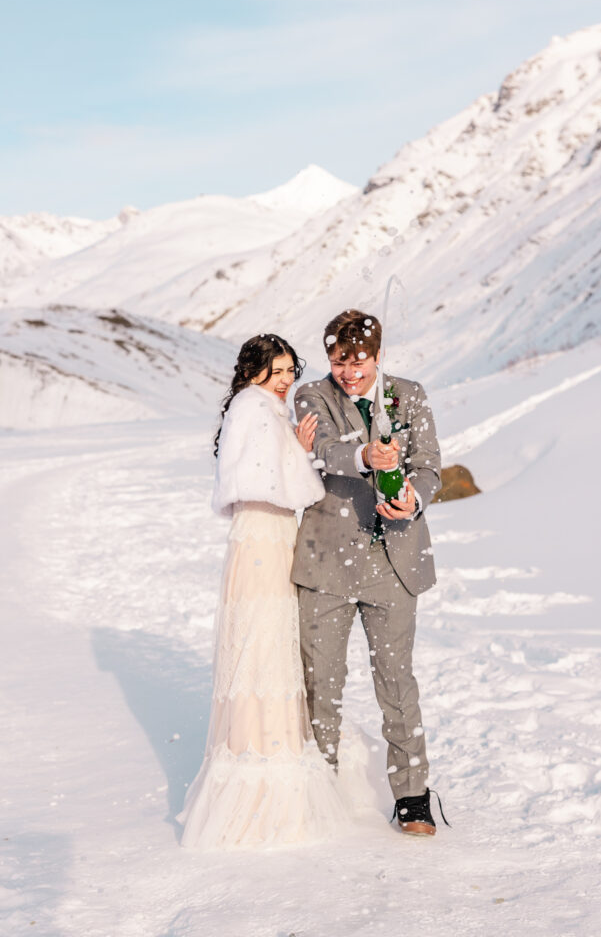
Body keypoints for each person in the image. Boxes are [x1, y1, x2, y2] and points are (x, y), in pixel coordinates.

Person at [178, 334, 348, 849]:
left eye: (290, 370)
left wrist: (293, 451)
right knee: (263, 646)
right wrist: (299, 454)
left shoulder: (258, 409)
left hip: (266, 535)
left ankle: (263, 748)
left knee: (264, 647)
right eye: (275, 370)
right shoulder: (256, 409)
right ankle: (263, 766)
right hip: (262, 535)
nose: (285, 380)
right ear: (253, 371)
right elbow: (281, 487)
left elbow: (275, 479)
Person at [292, 309, 444, 835]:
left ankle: (412, 796)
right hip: (327, 562)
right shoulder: (311, 396)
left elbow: (430, 466)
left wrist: (413, 497)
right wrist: (366, 456)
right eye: (339, 361)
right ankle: (321, 788)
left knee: (397, 681)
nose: (348, 373)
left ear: (377, 356)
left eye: (358, 362)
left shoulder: (411, 395)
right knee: (321, 683)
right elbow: (321, 449)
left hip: (394, 564)